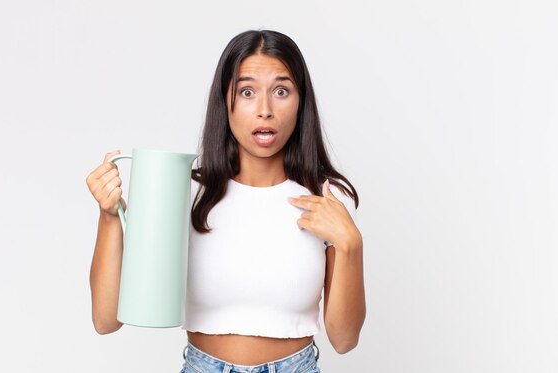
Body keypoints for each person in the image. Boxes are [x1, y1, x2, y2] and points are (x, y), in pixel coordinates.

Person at [86, 29, 366, 372]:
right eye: (247, 92)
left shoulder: (326, 197)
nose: (265, 110)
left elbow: (344, 338)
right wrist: (109, 215)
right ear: (225, 102)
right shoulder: (186, 192)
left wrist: (351, 243)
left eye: (281, 91)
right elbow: (106, 319)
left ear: (301, 100)